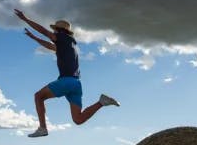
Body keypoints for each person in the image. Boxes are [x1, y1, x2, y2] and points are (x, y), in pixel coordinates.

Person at [15, 9, 119, 137]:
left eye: (54, 31)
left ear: (58, 30)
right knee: (78, 119)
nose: (53, 33)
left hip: (66, 81)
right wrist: (33, 37)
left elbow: (44, 32)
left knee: (38, 96)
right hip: (76, 84)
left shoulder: (62, 37)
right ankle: (102, 102)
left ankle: (43, 128)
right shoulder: (69, 43)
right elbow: (50, 46)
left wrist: (26, 19)